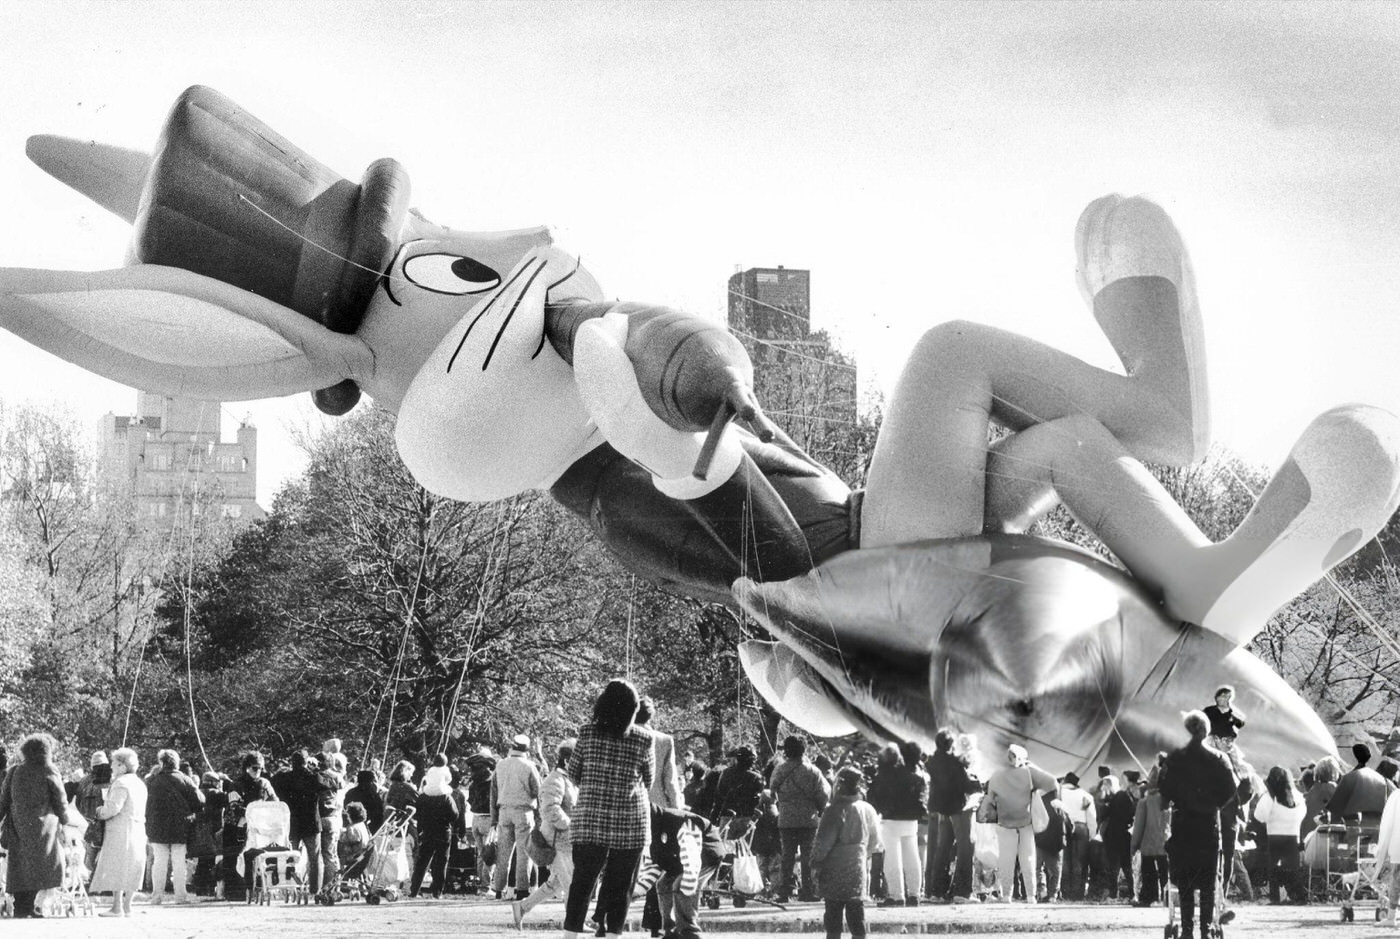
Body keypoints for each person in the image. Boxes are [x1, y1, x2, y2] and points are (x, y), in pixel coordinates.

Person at [563, 678, 655, 939]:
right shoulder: (644, 739)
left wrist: (595, 785)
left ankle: (570, 935)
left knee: (582, 883)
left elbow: (574, 773)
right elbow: (647, 780)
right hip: (631, 821)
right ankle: (614, 934)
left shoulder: (587, 732)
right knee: (621, 886)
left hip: (591, 818)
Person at [1159, 710, 1238, 939]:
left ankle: (1186, 930)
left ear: (1187, 730)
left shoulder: (1175, 759)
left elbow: (1165, 793)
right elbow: (1230, 791)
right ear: (1207, 731)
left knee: (1184, 880)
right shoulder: (1218, 759)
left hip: (1183, 824)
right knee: (1207, 881)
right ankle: (1205, 929)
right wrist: (1211, 805)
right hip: (1208, 825)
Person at [0, 733, 67, 919]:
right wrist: (65, 819)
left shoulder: (14, 771)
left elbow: (3, 800)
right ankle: (38, 905)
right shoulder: (49, 770)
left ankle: (22, 906)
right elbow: (60, 799)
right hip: (45, 827)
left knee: (20, 866)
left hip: (19, 826)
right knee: (44, 865)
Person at [513, 738, 578, 928]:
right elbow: (550, 810)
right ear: (566, 761)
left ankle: (522, 907)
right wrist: (571, 825)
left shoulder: (566, 780)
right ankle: (573, 923)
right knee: (570, 884)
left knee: (555, 884)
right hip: (556, 842)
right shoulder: (555, 781)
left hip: (564, 841)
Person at [812, 766, 883, 939]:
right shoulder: (866, 808)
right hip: (857, 867)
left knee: (833, 915)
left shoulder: (834, 810)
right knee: (856, 915)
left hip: (834, 868)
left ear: (839, 785)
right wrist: (862, 854)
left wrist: (815, 863)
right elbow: (875, 841)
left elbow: (823, 843)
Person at [984, 744, 1056, 904]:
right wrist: (1031, 771)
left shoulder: (996, 775)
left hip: (1004, 823)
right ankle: (1031, 896)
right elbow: (1052, 783)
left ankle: (1006, 895)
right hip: (1026, 823)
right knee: (1029, 859)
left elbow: (991, 798)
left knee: (1006, 860)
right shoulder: (1029, 772)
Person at [769, 734, 832, 903]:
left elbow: (771, 791)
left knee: (787, 855)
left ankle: (785, 891)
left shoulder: (779, 769)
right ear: (803, 749)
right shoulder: (813, 770)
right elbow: (823, 794)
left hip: (786, 818)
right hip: (808, 818)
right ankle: (808, 890)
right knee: (807, 856)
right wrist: (819, 809)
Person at [925, 727, 982, 904]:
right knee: (966, 847)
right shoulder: (955, 763)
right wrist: (979, 785)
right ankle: (963, 892)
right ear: (951, 744)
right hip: (959, 808)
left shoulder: (932, 761)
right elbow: (965, 785)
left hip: (942, 809)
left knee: (942, 849)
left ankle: (937, 891)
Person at [90, 747, 149, 917]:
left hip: (121, 831)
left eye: (115, 764)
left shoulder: (121, 783)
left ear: (123, 766)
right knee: (133, 867)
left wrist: (99, 811)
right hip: (138, 829)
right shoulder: (140, 783)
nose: (112, 768)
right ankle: (128, 906)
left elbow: (112, 809)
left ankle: (117, 907)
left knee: (119, 867)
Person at [866, 742, 925, 907]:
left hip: (890, 821)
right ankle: (914, 895)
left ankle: (896, 895)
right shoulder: (912, 774)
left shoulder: (882, 776)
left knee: (892, 858)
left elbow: (873, 800)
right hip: (911, 820)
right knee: (912, 857)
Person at [145, 747, 205, 904]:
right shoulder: (185, 779)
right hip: (180, 826)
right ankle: (180, 896)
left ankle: (156, 896)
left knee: (159, 862)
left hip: (157, 827)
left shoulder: (152, 780)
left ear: (161, 762)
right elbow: (200, 801)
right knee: (179, 863)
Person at [221, 751, 278, 902]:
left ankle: (256, 889)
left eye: (260, 768)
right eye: (254, 768)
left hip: (258, 826)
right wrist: (250, 813)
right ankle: (234, 894)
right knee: (233, 858)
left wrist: (264, 813)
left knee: (257, 857)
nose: (258, 771)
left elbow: (275, 803)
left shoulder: (265, 784)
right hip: (236, 826)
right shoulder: (236, 784)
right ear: (246, 767)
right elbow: (233, 805)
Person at [492, 733, 542, 901]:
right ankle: (522, 889)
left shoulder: (500, 765)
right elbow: (538, 791)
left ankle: (499, 889)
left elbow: (493, 793)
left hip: (504, 811)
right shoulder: (529, 766)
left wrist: (494, 817)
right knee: (523, 852)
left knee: (503, 853)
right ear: (526, 750)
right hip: (523, 811)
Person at [271, 749, 324, 893]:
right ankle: (315, 890)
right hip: (311, 823)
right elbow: (329, 784)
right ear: (306, 762)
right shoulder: (313, 777)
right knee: (315, 858)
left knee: (289, 856)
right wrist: (315, 770)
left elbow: (272, 782)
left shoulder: (283, 778)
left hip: (292, 823)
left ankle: (290, 887)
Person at [1253, 765, 1307, 904]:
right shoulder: (1298, 796)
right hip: (1293, 836)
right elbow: (1303, 814)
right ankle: (1299, 896)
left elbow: (1259, 816)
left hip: (1274, 836)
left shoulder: (1270, 796)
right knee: (1293, 869)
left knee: (1273, 868)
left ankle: (1275, 897)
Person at [409, 761, 461, 899]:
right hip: (443, 831)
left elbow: (417, 813)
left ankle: (414, 890)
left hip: (427, 831)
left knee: (422, 861)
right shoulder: (446, 797)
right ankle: (437, 891)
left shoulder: (423, 797)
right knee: (441, 862)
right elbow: (454, 815)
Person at [1130, 768, 1170, 907]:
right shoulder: (1170, 801)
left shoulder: (1145, 802)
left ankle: (1149, 898)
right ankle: (1169, 899)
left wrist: (1134, 846)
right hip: (1167, 843)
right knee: (1167, 873)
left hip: (1148, 844)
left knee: (1149, 874)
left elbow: (1139, 826)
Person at [1056, 771, 1097, 901]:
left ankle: (1065, 891)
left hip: (1063, 826)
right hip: (1081, 827)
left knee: (1065, 860)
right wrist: (1092, 835)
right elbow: (1091, 817)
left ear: (1065, 781)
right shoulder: (1086, 795)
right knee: (1080, 861)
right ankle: (1078, 893)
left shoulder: (1059, 793)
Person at [635, 697, 683, 810]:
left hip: (630, 805)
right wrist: (676, 809)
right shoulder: (664, 740)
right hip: (657, 805)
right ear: (651, 716)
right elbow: (670, 779)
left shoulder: (624, 737)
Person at [1328, 743, 1389, 828]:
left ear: (1355, 757)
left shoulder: (1349, 778)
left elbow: (1335, 809)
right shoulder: (1381, 779)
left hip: (1354, 829)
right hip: (1376, 829)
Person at [74, 750, 111, 882]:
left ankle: (86, 882)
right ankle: (102, 883)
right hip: (106, 821)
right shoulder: (110, 779)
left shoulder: (84, 781)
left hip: (88, 823)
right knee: (105, 854)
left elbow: (78, 803)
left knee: (89, 854)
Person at [1099, 774, 1136, 901]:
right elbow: (1131, 814)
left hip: (1114, 837)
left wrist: (1105, 804)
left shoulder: (1115, 798)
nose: (1104, 787)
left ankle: (1114, 894)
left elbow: (1103, 816)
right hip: (1124, 836)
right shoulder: (1125, 796)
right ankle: (1132, 894)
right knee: (1126, 867)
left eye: (1106, 784)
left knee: (1113, 867)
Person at [466, 748, 497, 893]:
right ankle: (485, 886)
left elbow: (471, 802)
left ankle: (482, 884)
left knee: (481, 854)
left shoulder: (473, 784)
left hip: (475, 819)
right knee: (490, 854)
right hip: (488, 819)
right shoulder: (491, 782)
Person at [1033, 791, 1071, 903]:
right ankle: (1052, 895)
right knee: (1056, 870)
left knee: (1038, 868)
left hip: (1040, 842)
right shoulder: (1062, 808)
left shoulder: (1039, 805)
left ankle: (1042, 890)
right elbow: (1070, 827)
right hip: (1057, 844)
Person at [1373, 777, 1400, 928]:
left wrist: (1381, 848)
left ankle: (1392, 916)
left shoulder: (1396, 797)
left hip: (1398, 844)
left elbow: (1387, 824)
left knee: (1396, 880)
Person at [1302, 755, 1340, 841]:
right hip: (1326, 838)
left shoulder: (1312, 791)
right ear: (1334, 773)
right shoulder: (1333, 790)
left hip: (1308, 838)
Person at [1204, 686, 1246, 754]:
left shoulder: (1233, 713)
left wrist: (1235, 718)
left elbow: (1240, 724)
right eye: (1220, 696)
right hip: (1210, 741)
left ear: (1229, 698)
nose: (1221, 698)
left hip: (1226, 744)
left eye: (1225, 696)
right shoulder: (1209, 710)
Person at [345, 767, 386, 833]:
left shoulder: (351, 793)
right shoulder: (374, 796)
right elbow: (379, 817)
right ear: (370, 782)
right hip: (367, 829)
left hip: (352, 826)